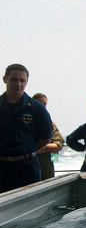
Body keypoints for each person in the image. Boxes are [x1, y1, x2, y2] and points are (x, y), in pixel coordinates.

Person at [0, 64, 52, 193]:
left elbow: (45, 140)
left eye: (22, 80)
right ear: (5, 79)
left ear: (26, 82)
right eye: (14, 79)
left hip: (27, 169)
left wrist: (25, 154)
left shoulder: (37, 109)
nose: (18, 84)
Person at [32, 93, 64, 179]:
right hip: (29, 168)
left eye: (44, 104)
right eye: (40, 103)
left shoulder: (48, 122)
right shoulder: (25, 121)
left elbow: (58, 144)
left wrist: (41, 148)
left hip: (46, 170)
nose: (42, 106)